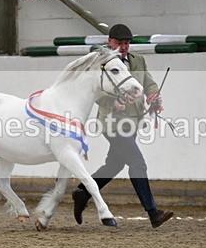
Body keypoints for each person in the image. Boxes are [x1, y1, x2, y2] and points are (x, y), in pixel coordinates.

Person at [71, 24, 174, 228]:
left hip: (133, 121)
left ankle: (83, 192)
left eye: (127, 43)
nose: (124, 47)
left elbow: (148, 83)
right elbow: (95, 91)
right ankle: (153, 212)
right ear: (110, 42)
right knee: (137, 163)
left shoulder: (138, 60)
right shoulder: (102, 63)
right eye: (120, 43)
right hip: (113, 123)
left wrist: (153, 95)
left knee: (114, 164)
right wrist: (112, 102)